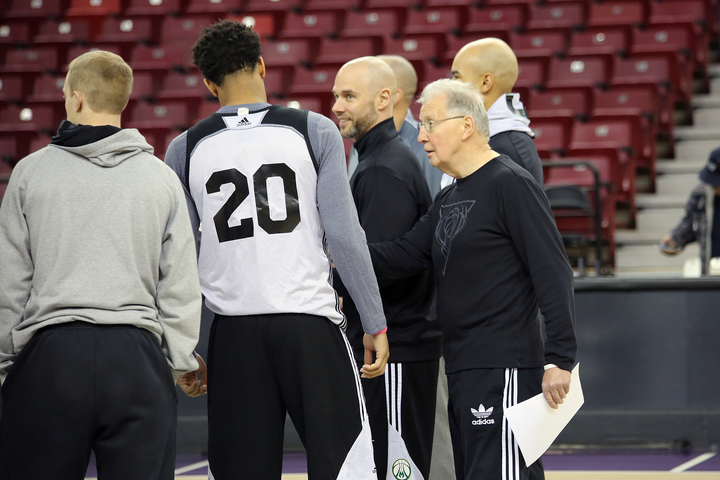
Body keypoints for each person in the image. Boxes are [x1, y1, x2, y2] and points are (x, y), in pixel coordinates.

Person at [164, 21, 389, 480]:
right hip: (309, 326)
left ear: (208, 83)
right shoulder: (314, 129)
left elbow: (179, 260)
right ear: (262, 66)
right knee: (345, 469)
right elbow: (344, 235)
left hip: (234, 335)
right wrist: (375, 322)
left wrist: (182, 350)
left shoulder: (183, 149)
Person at [0, 50, 203, 480]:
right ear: (122, 100)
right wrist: (176, 361)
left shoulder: (30, 173)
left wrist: (6, 365)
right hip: (137, 358)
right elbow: (180, 282)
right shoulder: (160, 177)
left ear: (76, 98)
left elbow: (11, 280)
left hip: (50, 357)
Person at [369, 79, 577, 480]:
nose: (421, 135)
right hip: (463, 365)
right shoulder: (448, 197)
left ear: (466, 125)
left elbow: (553, 271)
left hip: (504, 366)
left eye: (430, 124)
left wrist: (559, 359)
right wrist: (338, 256)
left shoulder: (511, 183)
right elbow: (405, 254)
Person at [332, 57, 442, 480]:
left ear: (383, 100)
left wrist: (333, 265)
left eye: (349, 96)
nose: (337, 106)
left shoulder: (382, 168)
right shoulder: (378, 160)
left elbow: (380, 266)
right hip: (392, 346)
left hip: (394, 346)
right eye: (336, 96)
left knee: (396, 470)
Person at [443, 37, 543, 189]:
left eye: (457, 77)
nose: (450, 85)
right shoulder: (501, 140)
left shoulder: (505, 149)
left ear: (485, 82)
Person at [347, 55, 444, 197]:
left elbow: (434, 203)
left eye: (367, 85)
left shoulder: (427, 142)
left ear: (391, 96)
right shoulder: (360, 139)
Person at [659, 146, 720, 275]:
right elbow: (691, 221)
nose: (714, 187)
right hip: (711, 273)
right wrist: (675, 239)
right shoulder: (701, 193)